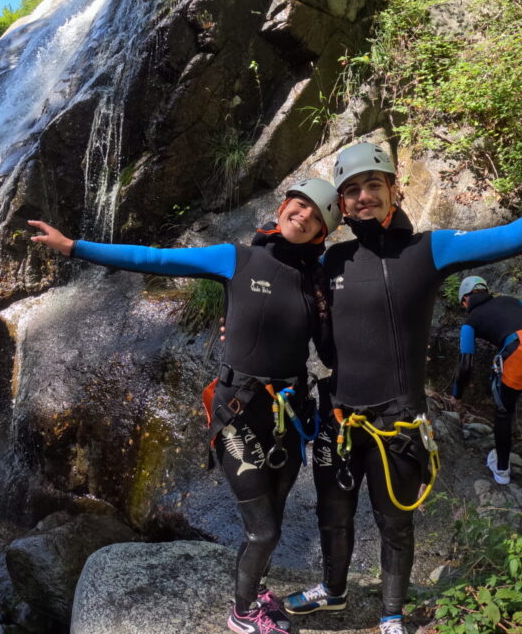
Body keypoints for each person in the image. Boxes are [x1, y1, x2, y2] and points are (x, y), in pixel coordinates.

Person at [284, 135, 522, 634]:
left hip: (398, 422)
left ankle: (391, 614)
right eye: (351, 190)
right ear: (341, 205)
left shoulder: (429, 250)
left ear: (394, 190)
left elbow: (513, 236)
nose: (363, 196)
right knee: (333, 511)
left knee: (395, 523)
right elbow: (279, 291)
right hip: (342, 416)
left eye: (373, 184)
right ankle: (333, 588)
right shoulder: (333, 262)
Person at [29, 178, 341, 634]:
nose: (304, 215)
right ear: (283, 208)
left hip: (290, 419)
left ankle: (254, 592)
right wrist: (74, 246)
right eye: (299, 205)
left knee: (271, 516)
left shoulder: (315, 285)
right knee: (264, 529)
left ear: (321, 233)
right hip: (239, 413)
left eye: (316, 216)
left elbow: (332, 353)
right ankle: (242, 614)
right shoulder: (236, 258)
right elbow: (154, 259)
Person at [451, 276, 522, 499]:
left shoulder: (470, 321)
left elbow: (465, 362)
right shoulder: (511, 300)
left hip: (517, 353)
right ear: (485, 290)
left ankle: (502, 469)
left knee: (504, 414)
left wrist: (456, 395)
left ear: (465, 299)